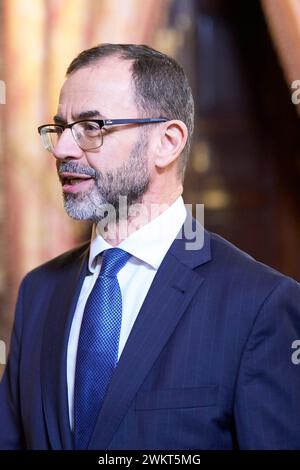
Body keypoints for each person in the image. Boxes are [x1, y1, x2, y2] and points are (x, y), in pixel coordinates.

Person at [0, 43, 300, 451]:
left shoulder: (260, 304)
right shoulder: (38, 292)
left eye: (92, 127)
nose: (65, 149)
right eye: (61, 128)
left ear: (168, 141)